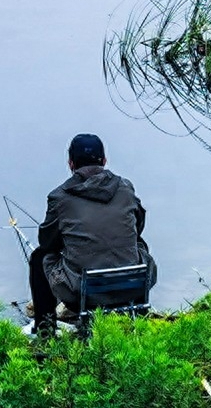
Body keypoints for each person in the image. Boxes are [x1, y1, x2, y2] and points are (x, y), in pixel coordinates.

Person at [27, 133, 156, 338]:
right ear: (104, 161)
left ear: (70, 163)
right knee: (138, 244)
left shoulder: (59, 197)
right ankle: (139, 315)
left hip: (84, 295)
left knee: (39, 258)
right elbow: (137, 227)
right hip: (132, 287)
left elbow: (47, 242)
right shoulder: (126, 188)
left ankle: (45, 332)